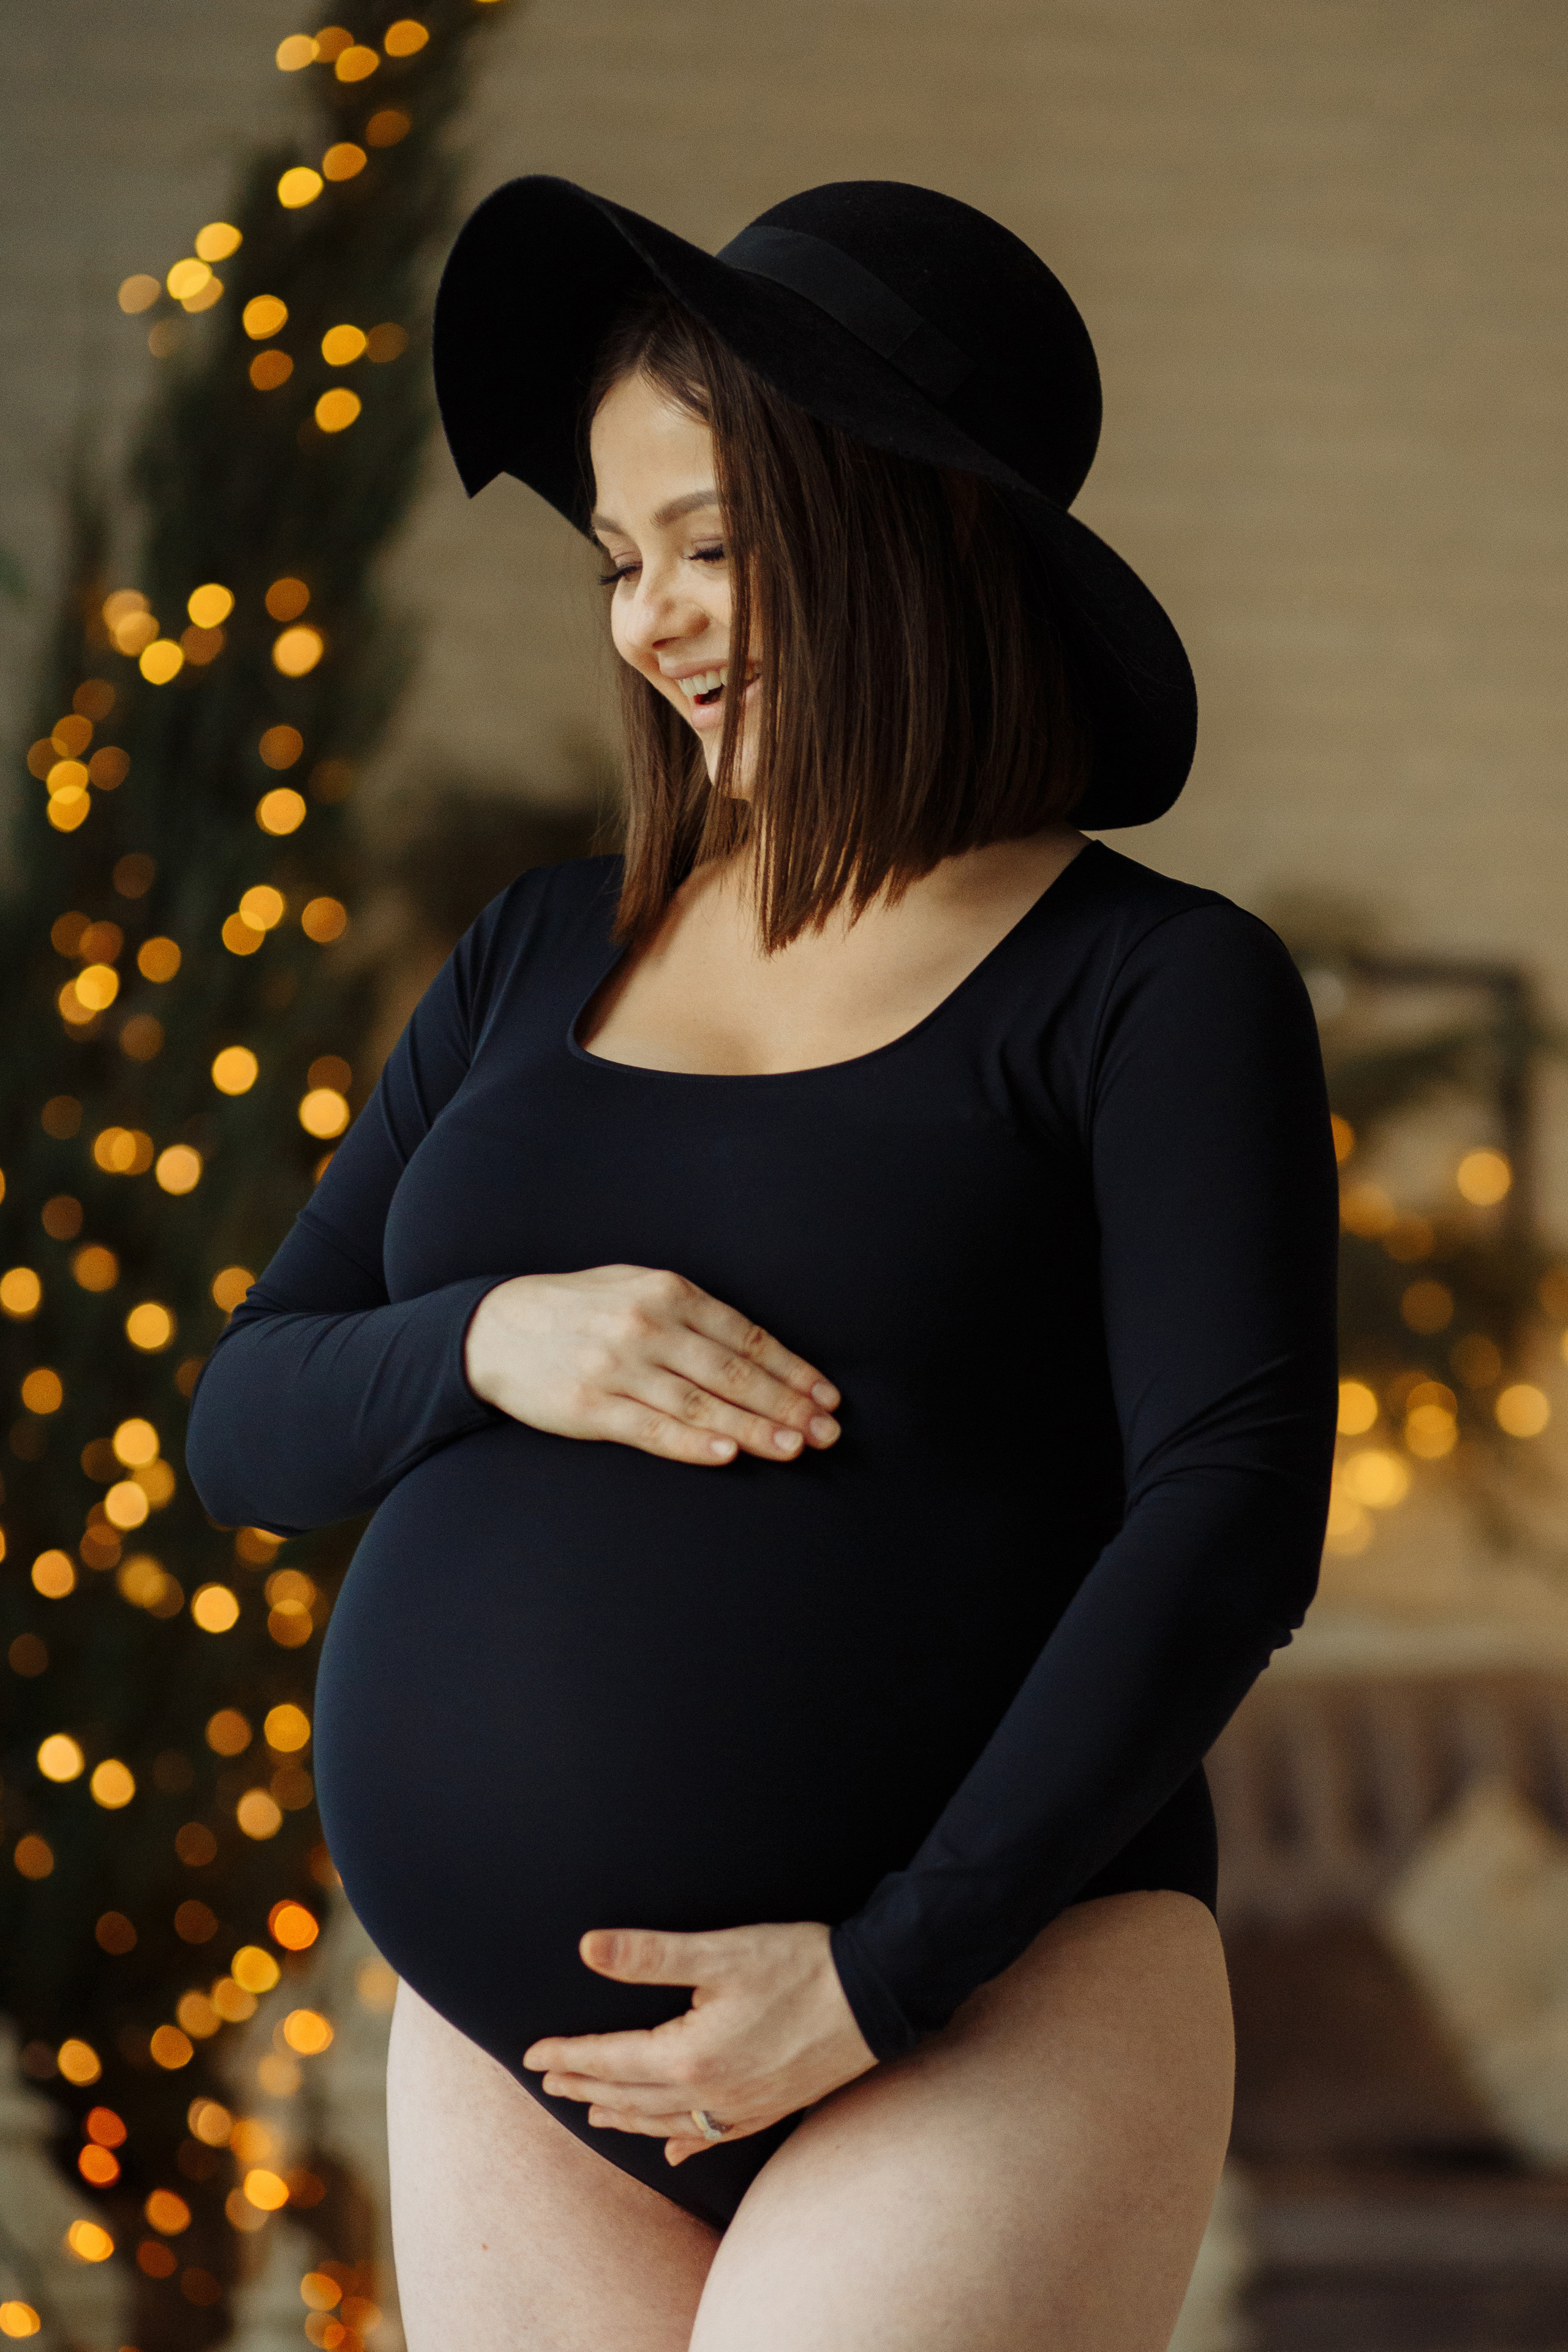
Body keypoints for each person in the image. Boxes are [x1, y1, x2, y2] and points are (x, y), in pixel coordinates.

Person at [186, 177, 1339, 2351]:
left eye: (712, 543)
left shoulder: (1153, 989)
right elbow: (248, 1419)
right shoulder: (543, 949)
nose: (655, 621)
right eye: (621, 559)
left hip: (989, 1999)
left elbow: (1232, 1515)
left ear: (923, 529)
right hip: (524, 2055)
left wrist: (886, 1970)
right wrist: (498, 1338)